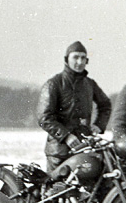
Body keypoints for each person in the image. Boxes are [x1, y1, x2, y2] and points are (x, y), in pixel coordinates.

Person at [36, 41, 112, 172]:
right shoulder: (54, 84)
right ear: (66, 59)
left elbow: (105, 105)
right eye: (76, 57)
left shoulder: (89, 84)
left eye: (83, 58)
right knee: (57, 189)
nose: (80, 61)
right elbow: (44, 117)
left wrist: (99, 125)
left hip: (84, 148)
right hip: (59, 151)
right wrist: (66, 136)